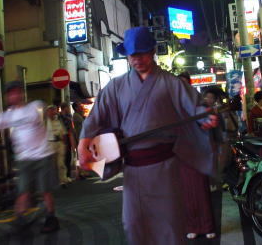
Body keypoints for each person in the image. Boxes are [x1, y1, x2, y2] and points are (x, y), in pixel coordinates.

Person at [77, 27, 218, 245]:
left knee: (169, 225)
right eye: (133, 54)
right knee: (133, 224)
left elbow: (194, 108)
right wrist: (83, 145)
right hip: (132, 171)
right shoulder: (116, 86)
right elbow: (96, 117)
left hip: (165, 168)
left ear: (152, 51)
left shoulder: (172, 83)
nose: (137, 59)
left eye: (142, 53)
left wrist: (204, 118)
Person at [0, 81, 59, 233]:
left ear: (21, 93)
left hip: (42, 155)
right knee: (23, 190)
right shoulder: (8, 115)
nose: (13, 95)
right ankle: (20, 219)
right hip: (24, 158)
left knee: (45, 190)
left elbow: (44, 117)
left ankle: (51, 218)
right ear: (7, 96)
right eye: (10, 93)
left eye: (16, 92)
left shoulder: (35, 107)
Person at [177, 74, 216, 240]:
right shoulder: (173, 102)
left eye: (186, 84)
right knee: (186, 193)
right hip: (181, 152)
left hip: (198, 151)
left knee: (201, 190)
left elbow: (209, 122)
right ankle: (192, 226)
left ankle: (207, 226)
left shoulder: (198, 102)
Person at [46, 105, 68, 186]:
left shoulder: (58, 121)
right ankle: (53, 181)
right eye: (51, 110)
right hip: (50, 144)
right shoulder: (45, 122)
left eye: (54, 110)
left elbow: (64, 132)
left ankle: (63, 180)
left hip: (59, 143)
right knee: (52, 164)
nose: (53, 112)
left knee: (61, 163)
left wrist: (65, 143)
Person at [59, 103, 76, 180]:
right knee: (63, 158)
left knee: (68, 156)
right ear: (64, 108)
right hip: (63, 139)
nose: (69, 109)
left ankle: (68, 175)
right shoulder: (59, 117)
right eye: (68, 107)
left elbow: (71, 129)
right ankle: (64, 175)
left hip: (69, 138)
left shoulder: (69, 116)